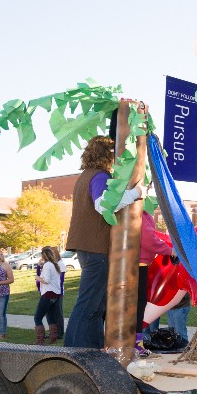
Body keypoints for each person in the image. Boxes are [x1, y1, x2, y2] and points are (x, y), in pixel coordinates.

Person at [64, 125, 146, 348]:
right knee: (89, 305)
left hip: (89, 249)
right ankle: (76, 353)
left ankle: (88, 350)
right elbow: (104, 207)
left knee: (95, 306)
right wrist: (135, 194)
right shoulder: (99, 176)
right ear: (106, 156)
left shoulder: (85, 176)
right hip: (95, 250)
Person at [136, 209, 175, 352]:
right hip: (138, 265)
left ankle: (135, 341)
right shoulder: (141, 213)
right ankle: (135, 342)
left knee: (138, 304)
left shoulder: (135, 211)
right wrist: (169, 250)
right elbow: (148, 239)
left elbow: (153, 236)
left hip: (136, 264)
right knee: (138, 305)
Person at [33, 246, 64, 345]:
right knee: (51, 317)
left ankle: (39, 340)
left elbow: (46, 280)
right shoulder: (55, 265)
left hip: (48, 293)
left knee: (37, 317)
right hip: (56, 294)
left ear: (44, 255)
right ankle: (53, 338)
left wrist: (37, 277)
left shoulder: (47, 265)